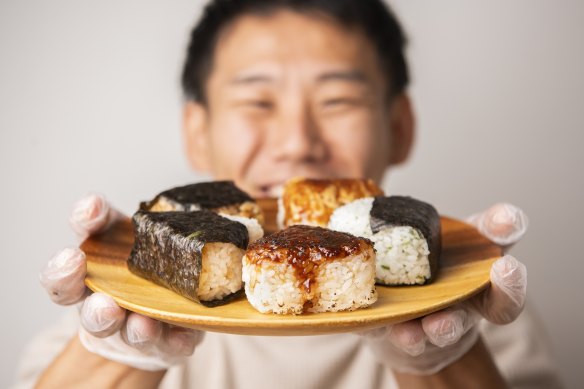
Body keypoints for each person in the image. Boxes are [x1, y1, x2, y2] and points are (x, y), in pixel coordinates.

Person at [15, 0, 561, 388]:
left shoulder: (478, 316)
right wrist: (122, 351)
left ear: (400, 126)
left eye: (338, 100)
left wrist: (443, 364)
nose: (298, 143)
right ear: (196, 133)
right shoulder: (107, 312)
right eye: (257, 102)